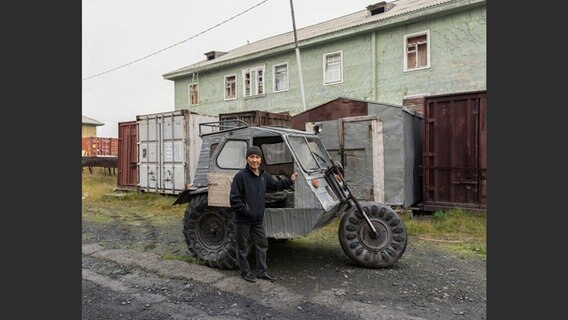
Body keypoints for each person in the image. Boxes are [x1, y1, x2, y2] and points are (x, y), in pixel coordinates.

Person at [230, 146, 297, 283]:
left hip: (257, 220)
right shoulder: (241, 176)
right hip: (243, 220)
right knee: (243, 248)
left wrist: (290, 181)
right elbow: (234, 199)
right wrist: (246, 211)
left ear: (260, 159)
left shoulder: (263, 175)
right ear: (247, 159)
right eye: (252, 157)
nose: (255, 160)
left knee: (262, 244)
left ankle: (262, 272)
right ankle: (245, 272)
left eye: (257, 157)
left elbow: (275, 186)